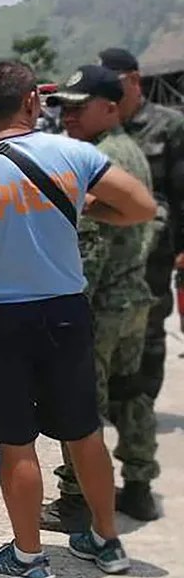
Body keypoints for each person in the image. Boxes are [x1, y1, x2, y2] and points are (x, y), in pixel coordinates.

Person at [0, 60, 155, 578]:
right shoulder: (72, 154)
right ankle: (106, 542)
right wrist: (84, 209)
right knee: (84, 433)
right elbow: (139, 207)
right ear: (31, 103)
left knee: (17, 444)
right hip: (67, 312)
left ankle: (28, 558)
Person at [39, 67, 155, 533]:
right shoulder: (127, 150)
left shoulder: (98, 160)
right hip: (133, 297)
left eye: (77, 106)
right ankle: (140, 486)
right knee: (130, 394)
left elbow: (90, 247)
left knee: (79, 403)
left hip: (101, 302)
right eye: (62, 107)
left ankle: (75, 499)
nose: (67, 116)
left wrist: (68, 312)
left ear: (110, 104)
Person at [95, 47, 184, 521]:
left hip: (151, 266)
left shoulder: (167, 127)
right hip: (108, 271)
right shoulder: (98, 132)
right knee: (104, 382)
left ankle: (136, 478)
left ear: (134, 81)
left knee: (140, 373)